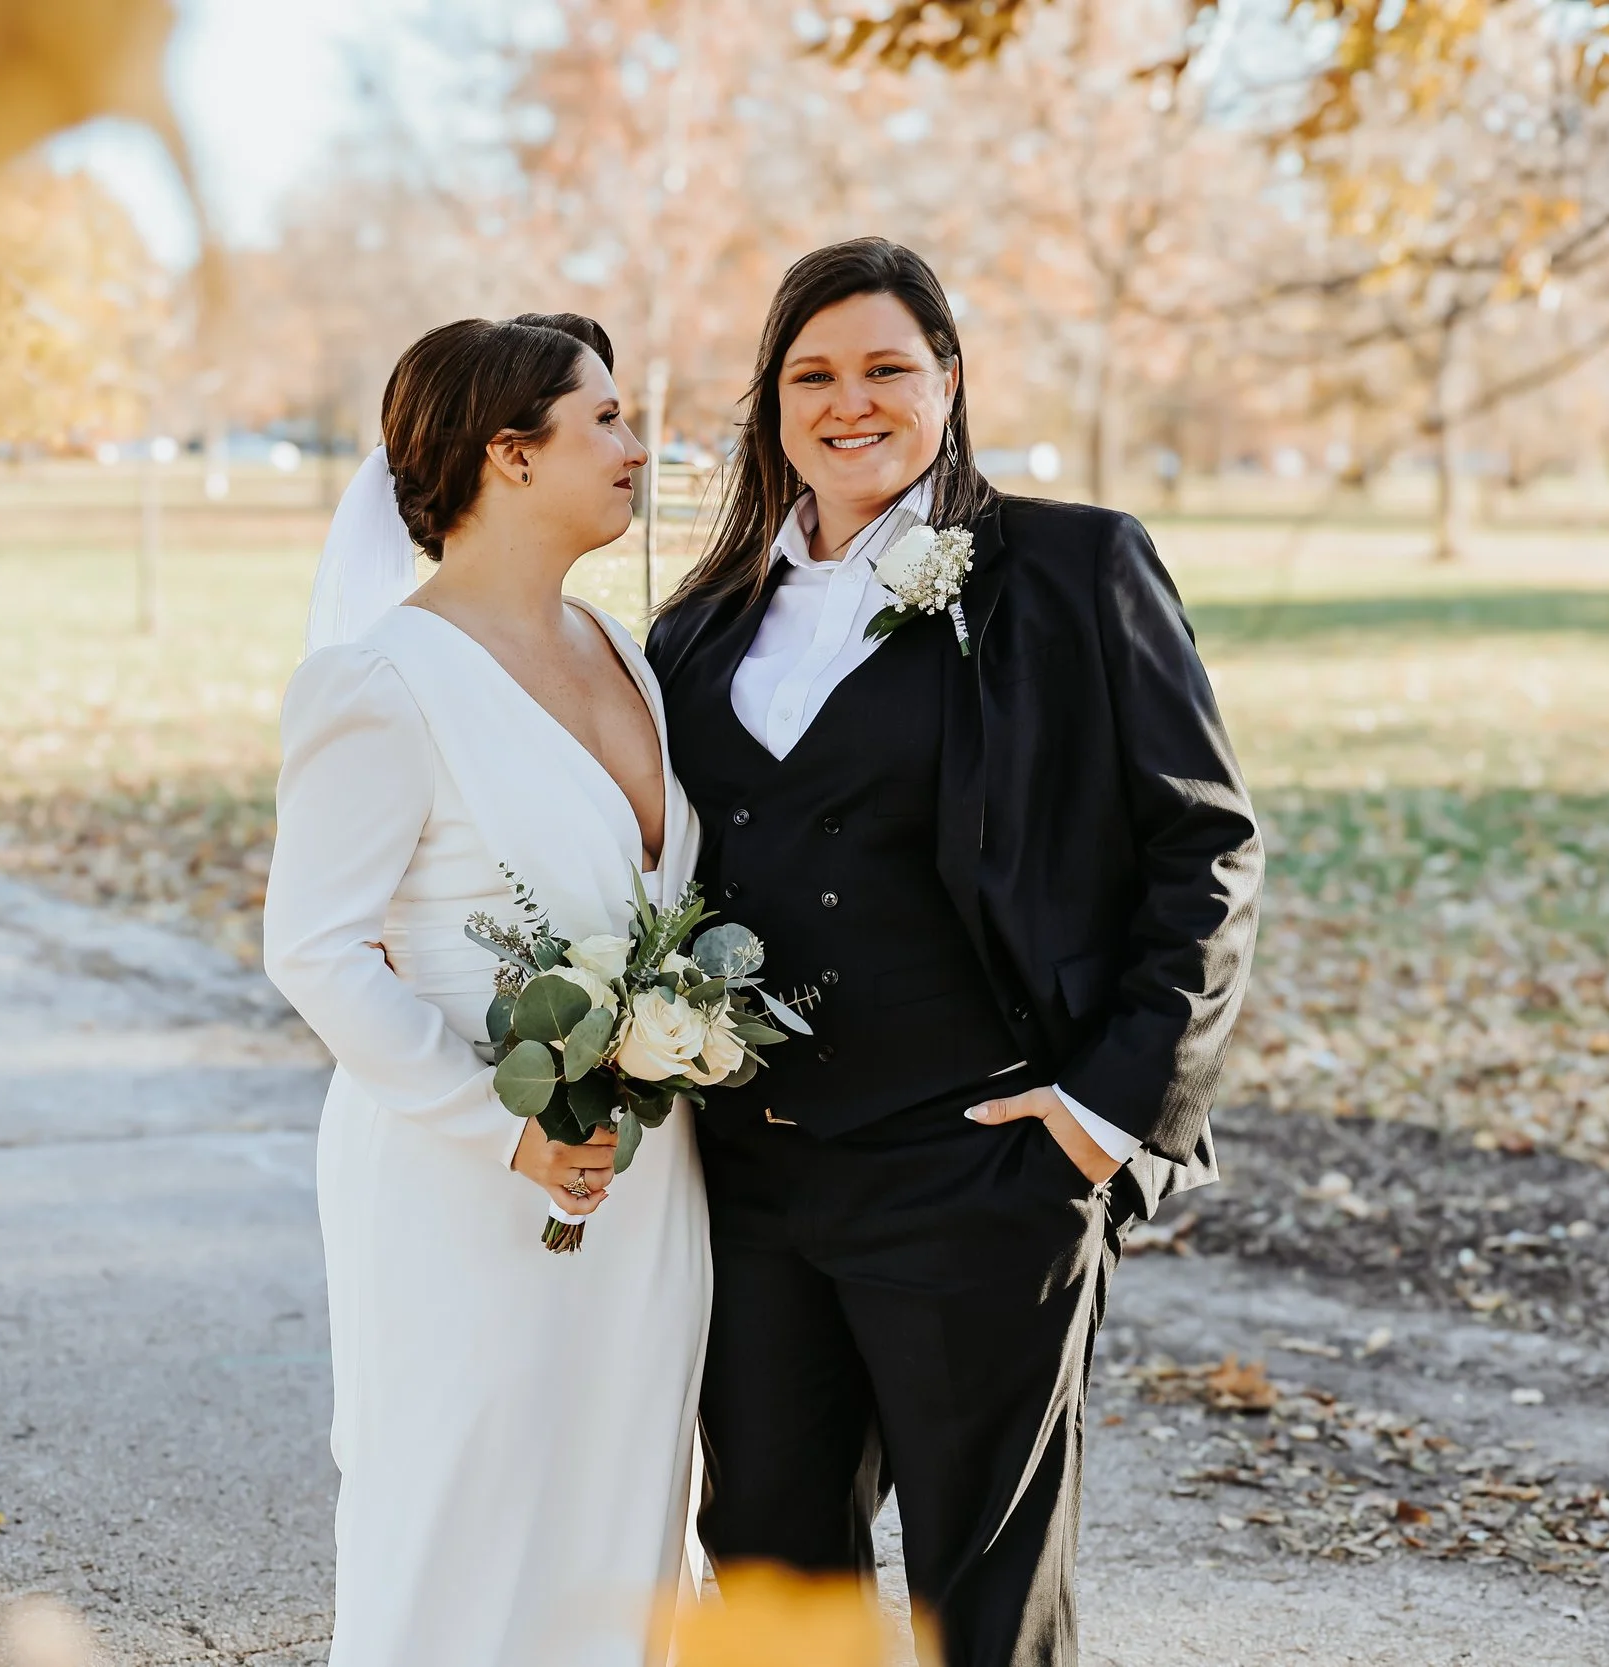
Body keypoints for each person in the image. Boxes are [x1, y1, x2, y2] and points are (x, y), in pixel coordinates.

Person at [647, 238, 1264, 1667]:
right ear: (772, 401)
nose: (847, 401)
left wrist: (1105, 1118)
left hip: (984, 1165)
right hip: (754, 1188)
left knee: (982, 1610)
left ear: (951, 381)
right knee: (766, 1579)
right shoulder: (697, 626)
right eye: (812, 373)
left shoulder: (1072, 567)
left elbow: (1205, 848)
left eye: (884, 368)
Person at [265, 313, 707, 1667]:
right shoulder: (381, 680)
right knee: (464, 1522)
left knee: (628, 1513)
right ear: (510, 455)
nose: (641, 445)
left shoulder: (621, 648)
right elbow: (316, 949)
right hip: (464, 1179)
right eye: (610, 419)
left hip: (645, 1175)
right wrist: (505, 1124)